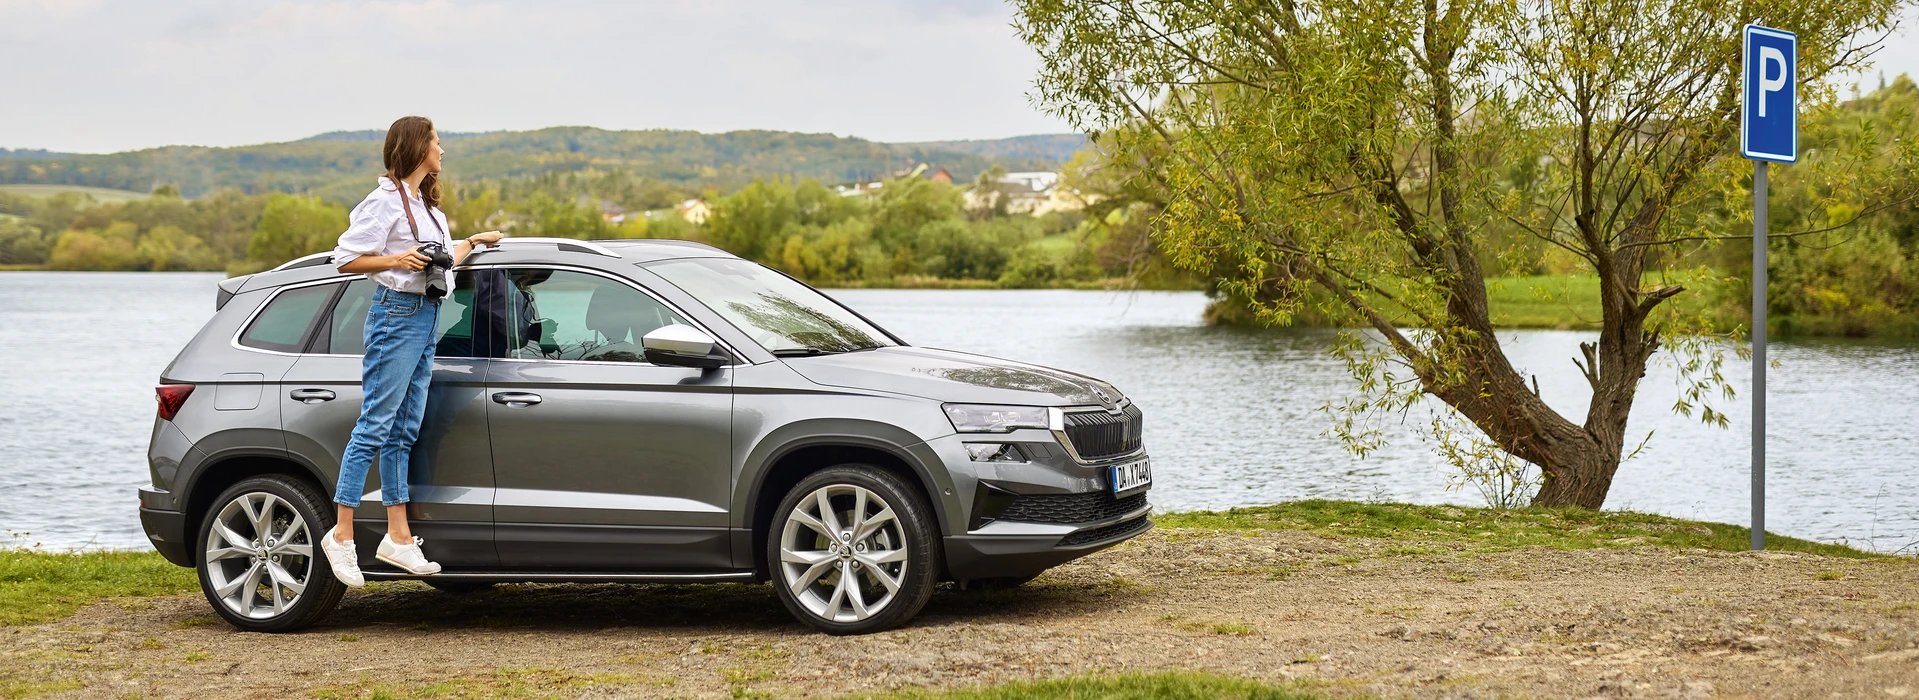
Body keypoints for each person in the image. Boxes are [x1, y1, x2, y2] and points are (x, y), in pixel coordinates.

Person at [318, 116, 503, 587]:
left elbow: (438, 261)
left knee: (404, 430)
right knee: (375, 425)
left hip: (425, 317)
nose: (443, 150)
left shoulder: (427, 207)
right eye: (438, 142)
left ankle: (398, 539)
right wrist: (397, 260)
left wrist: (470, 243)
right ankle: (340, 535)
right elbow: (345, 258)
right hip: (395, 316)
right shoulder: (383, 202)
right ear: (419, 148)